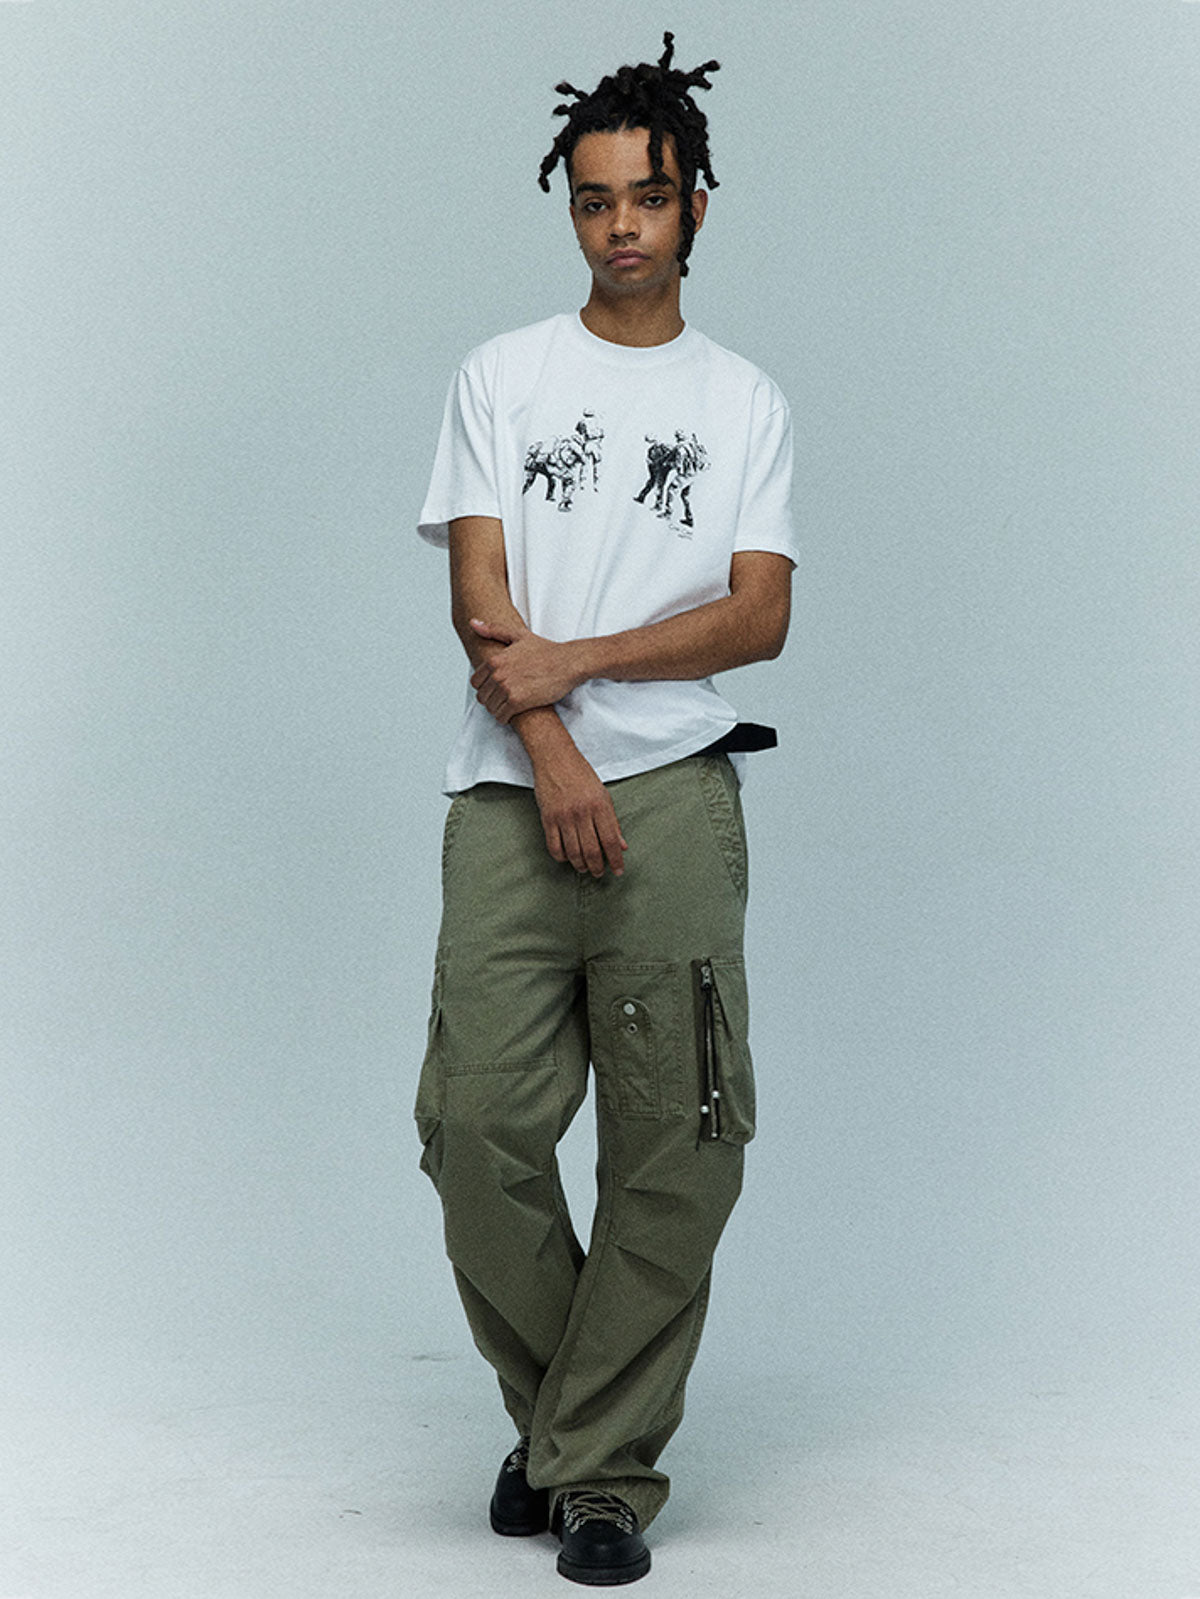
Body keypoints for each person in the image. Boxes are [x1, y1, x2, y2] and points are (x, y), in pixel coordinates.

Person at [414, 33, 797, 1586]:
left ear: (696, 203)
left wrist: (578, 668)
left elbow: (758, 615)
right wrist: (555, 744)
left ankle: (591, 1475)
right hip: (512, 803)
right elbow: (478, 595)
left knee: (678, 1141)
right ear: (569, 210)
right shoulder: (502, 376)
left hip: (681, 806)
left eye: (647, 196)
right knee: (474, 1129)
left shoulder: (745, 401)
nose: (621, 224)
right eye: (593, 200)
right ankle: (578, 1426)